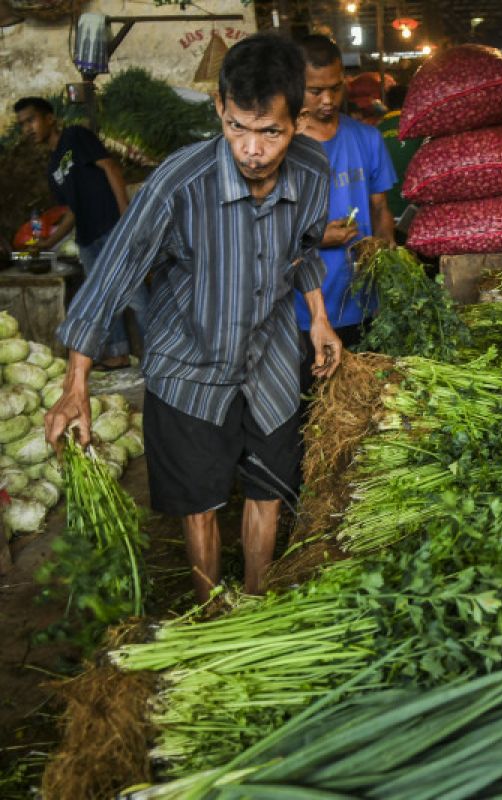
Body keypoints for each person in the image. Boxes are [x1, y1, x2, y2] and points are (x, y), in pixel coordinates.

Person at [44, 33, 343, 601]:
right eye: (237, 127)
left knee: (268, 490)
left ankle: (253, 600)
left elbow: (302, 249)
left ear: (296, 118)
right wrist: (75, 382)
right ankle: (210, 605)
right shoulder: (179, 183)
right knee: (200, 499)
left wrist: (319, 318)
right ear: (219, 111)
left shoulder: (313, 169)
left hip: (272, 358)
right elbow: (113, 274)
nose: (251, 149)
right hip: (190, 360)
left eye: (270, 132)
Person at [14, 96, 147, 370]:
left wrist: (127, 217)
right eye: (22, 125)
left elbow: (110, 167)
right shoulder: (53, 170)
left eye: (31, 120)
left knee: (135, 295)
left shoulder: (75, 137)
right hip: (87, 240)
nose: (27, 129)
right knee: (103, 300)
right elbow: (73, 210)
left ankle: (159, 356)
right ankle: (118, 354)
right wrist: (49, 243)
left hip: (112, 227)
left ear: (49, 118)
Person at [296, 34, 396, 380]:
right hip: (305, 310)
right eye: (315, 90)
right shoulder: (283, 149)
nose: (328, 100)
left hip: (364, 302)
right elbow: (266, 228)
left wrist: (383, 252)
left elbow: (381, 208)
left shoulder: (367, 138)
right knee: (315, 408)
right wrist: (317, 236)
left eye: (336, 88)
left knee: (368, 399)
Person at [375, 84, 422, 229]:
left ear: (387, 103)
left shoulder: (374, 131)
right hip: (414, 213)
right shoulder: (419, 128)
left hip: (385, 215)